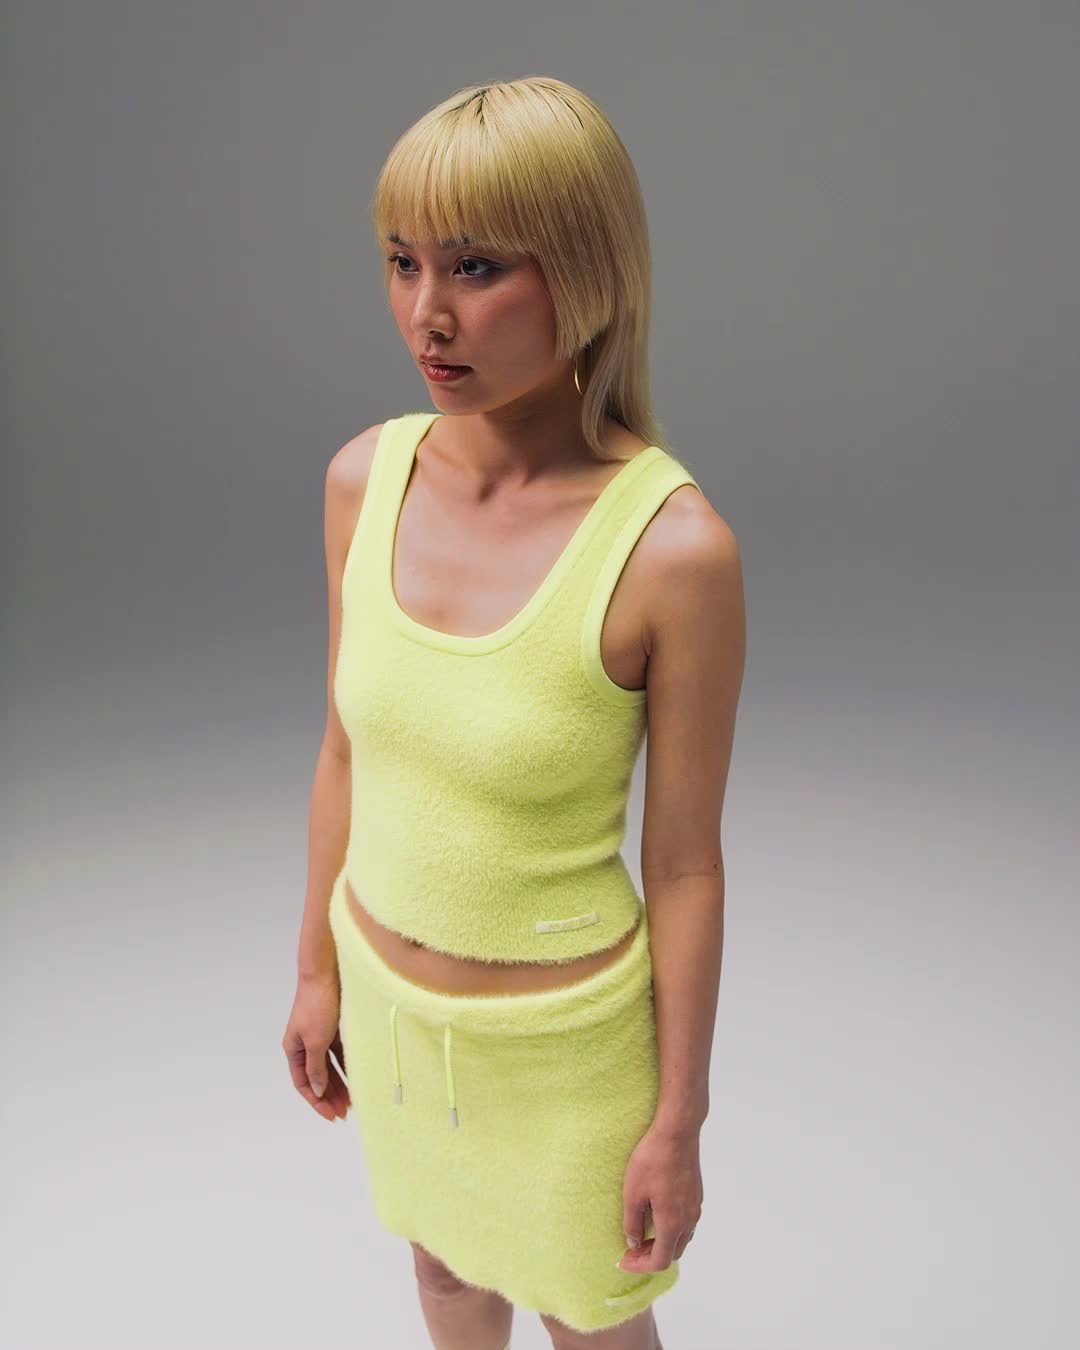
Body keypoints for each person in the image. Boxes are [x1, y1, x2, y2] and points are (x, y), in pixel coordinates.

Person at [282, 76, 745, 1350]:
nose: (426, 313)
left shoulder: (672, 551)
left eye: (477, 267)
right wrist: (316, 967)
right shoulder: (363, 481)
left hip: (563, 1056)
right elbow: (345, 749)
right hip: (389, 1015)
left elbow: (687, 862)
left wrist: (678, 1119)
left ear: (586, 271)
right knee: (443, 1286)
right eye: (403, 261)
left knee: (591, 1324)